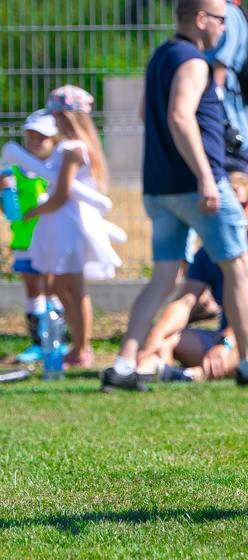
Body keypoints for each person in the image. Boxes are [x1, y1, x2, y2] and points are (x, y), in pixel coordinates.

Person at [102, 0, 248, 390]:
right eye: (219, 20)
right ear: (200, 20)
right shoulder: (194, 61)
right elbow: (179, 116)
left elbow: (144, 116)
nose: (224, 27)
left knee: (164, 277)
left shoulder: (160, 57)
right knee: (238, 267)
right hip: (198, 188)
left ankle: (123, 365)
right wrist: (204, 175)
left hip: (160, 189)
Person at [135, 171, 248, 385]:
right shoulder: (208, 251)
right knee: (170, 340)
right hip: (229, 340)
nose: (235, 213)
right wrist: (156, 337)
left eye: (242, 205)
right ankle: (150, 368)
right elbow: (185, 301)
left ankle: (193, 375)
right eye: (227, 207)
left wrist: (226, 344)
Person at [24, 86, 122, 368]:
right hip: (61, 224)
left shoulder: (72, 149)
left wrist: (34, 211)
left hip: (68, 225)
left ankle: (81, 347)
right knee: (60, 284)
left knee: (74, 288)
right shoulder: (70, 147)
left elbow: (61, 194)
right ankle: (76, 344)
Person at [0, 109, 64, 363]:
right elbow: (13, 213)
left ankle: (57, 340)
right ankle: (38, 342)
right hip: (25, 241)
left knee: (53, 288)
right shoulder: (13, 172)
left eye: (42, 137)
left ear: (54, 139)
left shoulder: (57, 168)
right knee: (32, 289)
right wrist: (5, 194)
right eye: (31, 137)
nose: (36, 142)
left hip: (51, 241)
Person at [206, 0, 248, 173]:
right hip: (232, 132)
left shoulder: (225, 13)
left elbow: (220, 68)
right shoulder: (229, 11)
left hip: (230, 135)